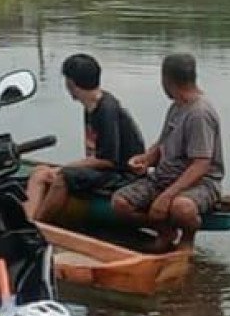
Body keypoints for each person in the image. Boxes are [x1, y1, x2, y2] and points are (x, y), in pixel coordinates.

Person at [111, 53, 225, 252]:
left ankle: (187, 241)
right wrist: (146, 159)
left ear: (167, 80)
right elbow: (162, 143)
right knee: (120, 203)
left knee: (181, 208)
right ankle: (165, 231)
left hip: (200, 182)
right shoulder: (176, 107)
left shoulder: (199, 114)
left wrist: (167, 197)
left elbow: (201, 164)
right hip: (166, 176)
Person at [24, 53, 145, 223]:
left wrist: (67, 167)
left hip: (122, 175)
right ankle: (27, 222)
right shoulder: (91, 105)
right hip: (106, 171)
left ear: (71, 83)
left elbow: (108, 160)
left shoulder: (106, 110)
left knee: (63, 176)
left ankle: (38, 227)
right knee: (39, 173)